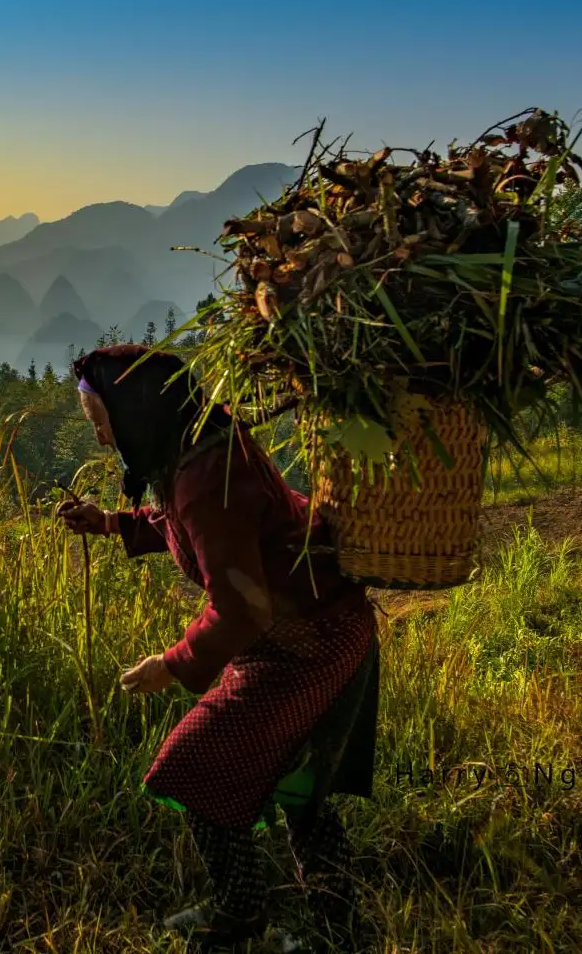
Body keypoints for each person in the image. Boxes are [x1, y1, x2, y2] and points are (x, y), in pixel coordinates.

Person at [57, 344, 379, 951]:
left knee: (196, 765)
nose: (102, 437)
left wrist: (172, 664)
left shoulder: (207, 475)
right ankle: (331, 926)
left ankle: (249, 914)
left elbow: (241, 607)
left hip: (311, 640)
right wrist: (112, 522)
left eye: (101, 421)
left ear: (136, 411)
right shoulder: (197, 446)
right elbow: (190, 524)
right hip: (313, 625)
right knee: (299, 783)